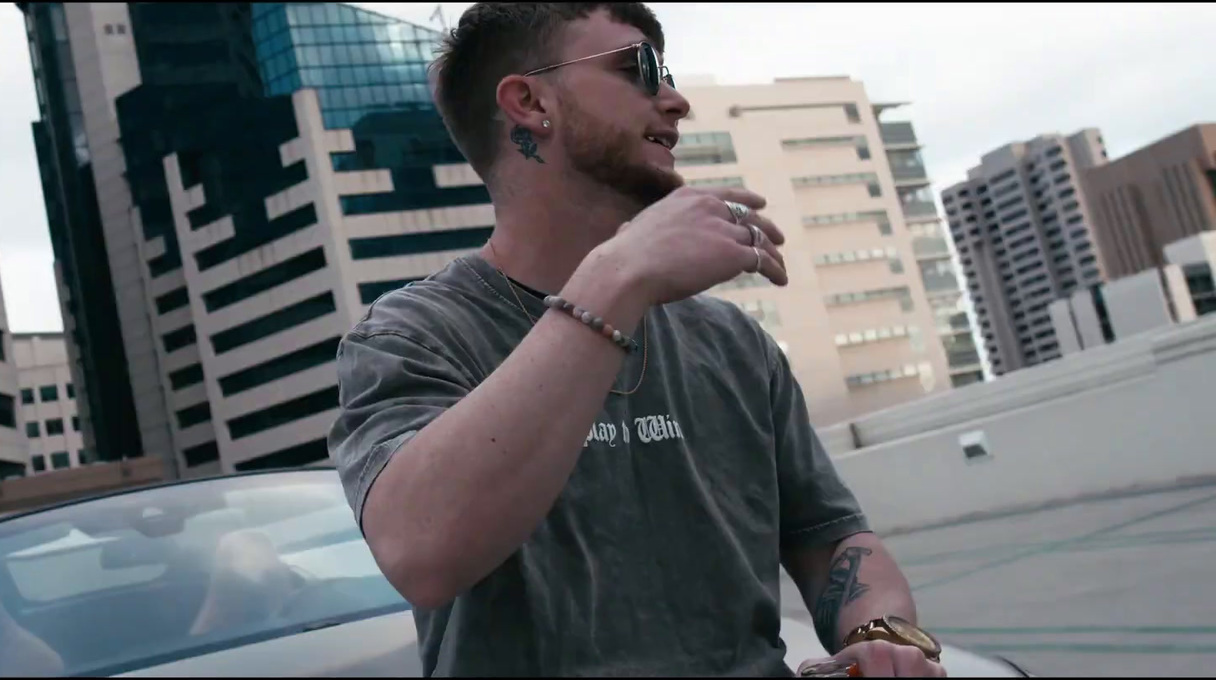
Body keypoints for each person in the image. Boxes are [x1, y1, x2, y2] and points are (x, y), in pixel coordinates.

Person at [327, 2, 947, 677]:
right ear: (530, 100)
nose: (675, 101)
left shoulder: (728, 339)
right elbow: (421, 552)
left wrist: (883, 640)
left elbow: (829, 539)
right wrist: (618, 274)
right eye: (640, 69)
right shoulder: (415, 335)